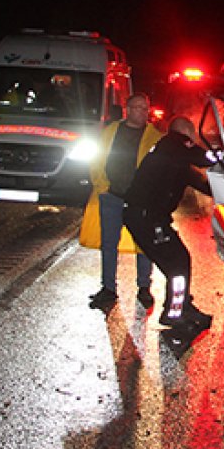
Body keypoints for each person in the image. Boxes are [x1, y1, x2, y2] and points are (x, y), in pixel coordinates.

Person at [122, 117, 216, 333]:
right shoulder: (175, 144)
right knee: (178, 264)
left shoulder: (172, 156)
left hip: (146, 216)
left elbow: (197, 181)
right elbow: (205, 158)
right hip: (147, 218)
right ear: (187, 133)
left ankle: (182, 304)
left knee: (178, 262)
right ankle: (174, 313)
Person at [80, 93, 163, 310]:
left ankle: (144, 287)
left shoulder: (154, 136)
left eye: (145, 108)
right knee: (109, 244)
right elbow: (98, 158)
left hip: (141, 200)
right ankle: (108, 288)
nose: (142, 112)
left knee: (144, 244)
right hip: (112, 195)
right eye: (137, 107)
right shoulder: (110, 132)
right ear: (127, 109)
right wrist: (101, 185)